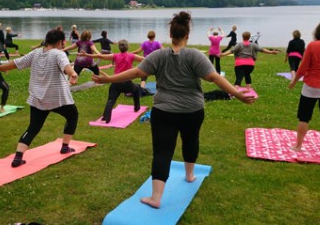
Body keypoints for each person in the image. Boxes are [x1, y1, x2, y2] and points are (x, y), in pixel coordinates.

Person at [91, 11, 256, 208]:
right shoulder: (194, 55)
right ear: (187, 35)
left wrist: (109, 79)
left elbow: (136, 72)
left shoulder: (158, 56)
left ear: (170, 35)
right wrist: (237, 94)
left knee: (162, 152)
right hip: (192, 111)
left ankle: (156, 197)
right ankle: (189, 175)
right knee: (191, 140)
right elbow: (215, 78)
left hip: (164, 111)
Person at [0, 29, 79, 167]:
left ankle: (18, 157)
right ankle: (65, 147)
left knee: (33, 128)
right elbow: (66, 66)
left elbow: (16, 63)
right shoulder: (59, 54)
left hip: (38, 99)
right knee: (73, 116)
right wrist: (72, 73)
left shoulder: (36, 53)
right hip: (56, 99)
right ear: (60, 42)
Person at [289, 18, 320, 152]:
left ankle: (298, 146)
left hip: (311, 87)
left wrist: (294, 81)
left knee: (304, 117)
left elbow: (303, 68)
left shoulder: (313, 46)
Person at [78, 39, 143, 123]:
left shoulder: (115, 56)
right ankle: (137, 108)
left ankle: (105, 118)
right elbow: (144, 59)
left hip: (115, 82)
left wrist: (87, 54)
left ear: (119, 47)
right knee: (136, 89)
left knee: (111, 100)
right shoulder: (131, 56)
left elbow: (100, 56)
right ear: (128, 47)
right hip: (127, 83)